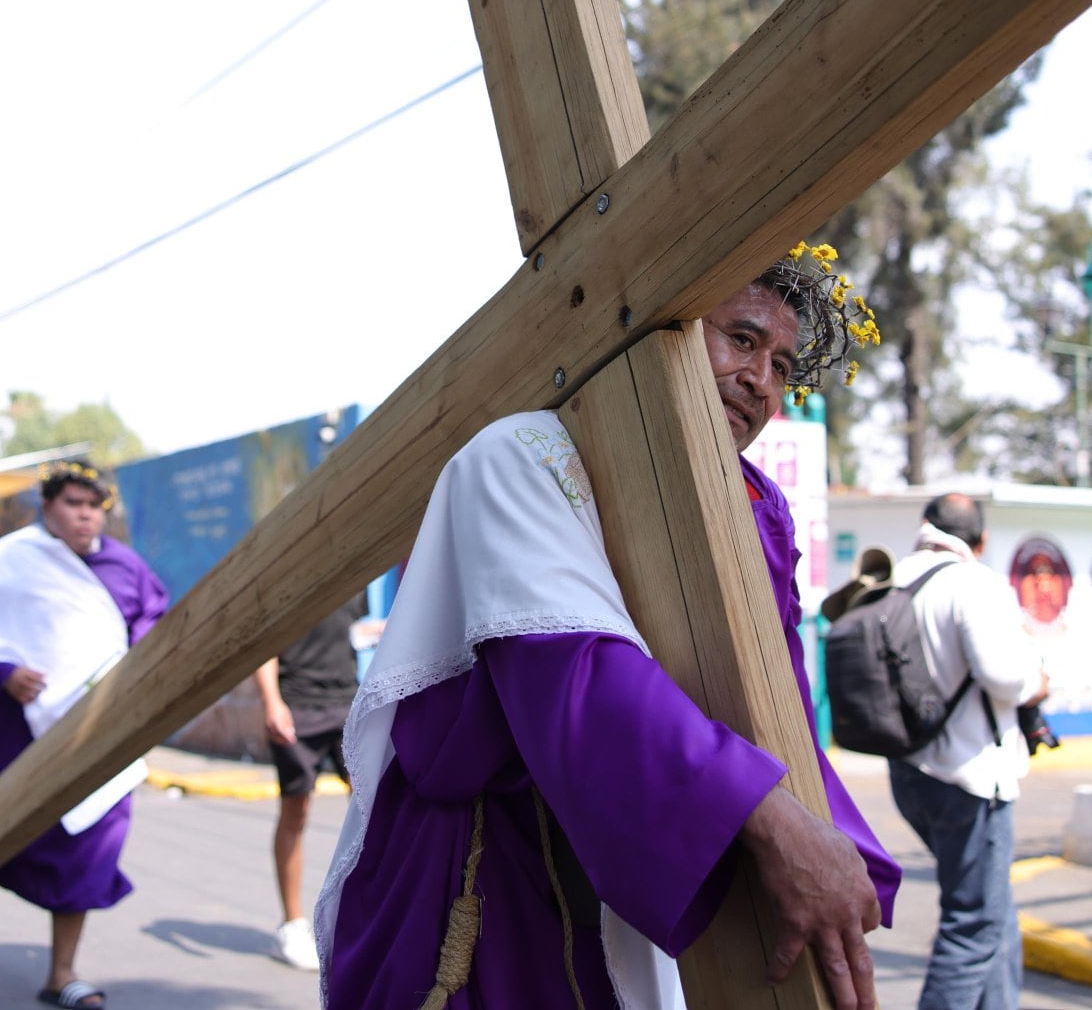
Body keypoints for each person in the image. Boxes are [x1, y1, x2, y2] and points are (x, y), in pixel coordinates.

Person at [316, 247, 899, 1010]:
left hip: (657, 853)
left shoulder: (759, 505)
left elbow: (774, 697)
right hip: (485, 869)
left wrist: (833, 850)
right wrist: (772, 823)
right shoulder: (522, 453)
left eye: (784, 364)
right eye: (742, 338)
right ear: (669, 325)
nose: (761, 379)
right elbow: (572, 676)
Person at [0, 462, 168, 1008]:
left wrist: (129, 671)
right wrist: (2, 673)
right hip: (7, 726)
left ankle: (61, 974)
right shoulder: (12, 560)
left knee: (90, 838)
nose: (84, 515)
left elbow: (153, 625)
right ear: (49, 508)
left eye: (93, 505)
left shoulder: (126, 568)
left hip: (91, 731)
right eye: (73, 504)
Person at [886, 493, 1047, 1010]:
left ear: (925, 526)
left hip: (911, 771)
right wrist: (1037, 682)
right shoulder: (972, 582)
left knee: (992, 910)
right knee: (973, 923)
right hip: (970, 776)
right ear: (980, 540)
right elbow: (1002, 675)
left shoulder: (895, 577)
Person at [255, 594, 368, 971]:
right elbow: (264, 645)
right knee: (296, 811)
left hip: (346, 701)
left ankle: (365, 914)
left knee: (371, 808)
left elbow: (346, 631)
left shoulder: (355, 577)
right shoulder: (292, 572)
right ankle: (291, 923)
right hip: (297, 705)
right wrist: (272, 702)